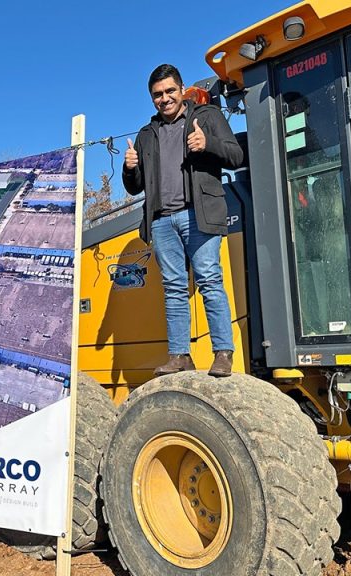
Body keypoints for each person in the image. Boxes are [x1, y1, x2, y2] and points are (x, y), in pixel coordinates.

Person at [122, 64, 245, 378]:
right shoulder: (146, 135)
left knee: (209, 280)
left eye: (169, 92)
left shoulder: (207, 117)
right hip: (162, 221)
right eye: (157, 95)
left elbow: (235, 156)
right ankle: (180, 355)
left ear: (181, 90)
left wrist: (208, 145)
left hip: (198, 214)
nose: (164, 99)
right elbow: (136, 186)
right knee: (173, 288)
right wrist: (130, 167)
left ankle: (222, 352)